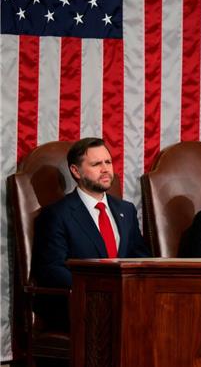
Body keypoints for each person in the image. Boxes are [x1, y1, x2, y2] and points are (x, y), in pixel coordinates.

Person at [32, 137, 151, 329]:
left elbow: (140, 257)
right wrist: (98, 290)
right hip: (80, 306)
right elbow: (51, 269)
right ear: (76, 171)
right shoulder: (57, 215)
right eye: (96, 164)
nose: (105, 169)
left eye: (108, 162)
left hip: (128, 304)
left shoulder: (126, 210)